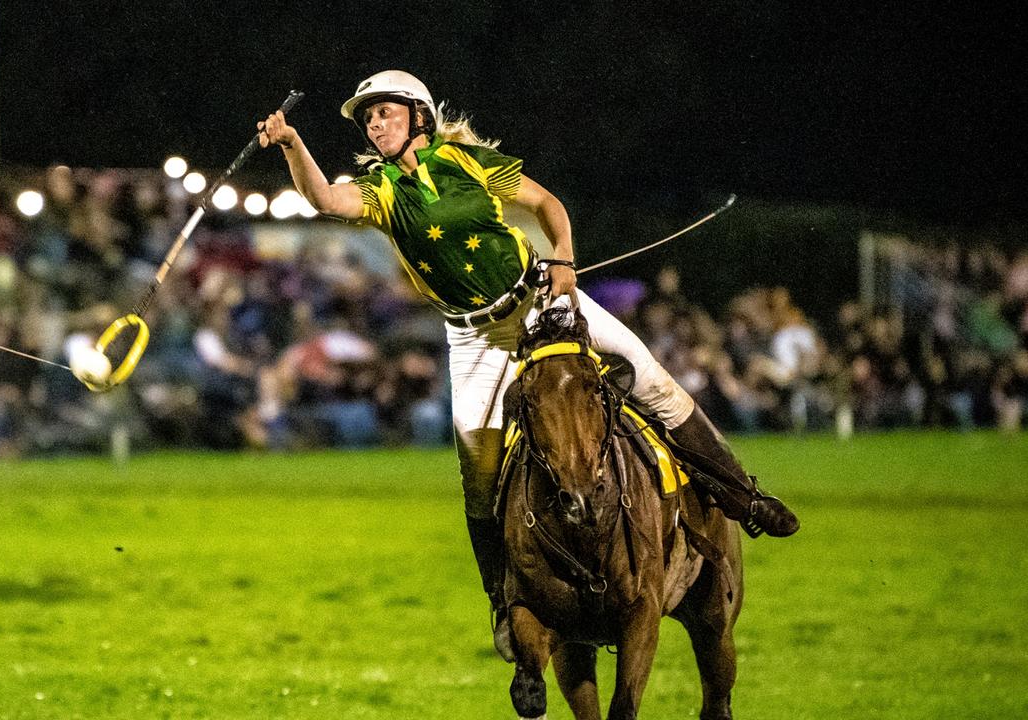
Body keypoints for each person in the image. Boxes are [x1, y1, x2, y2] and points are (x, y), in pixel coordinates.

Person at [258, 70, 799, 661]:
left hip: (540, 302)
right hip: (473, 340)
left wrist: (563, 259)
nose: (374, 124)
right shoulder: (382, 190)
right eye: (368, 118)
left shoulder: (466, 161)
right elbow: (323, 199)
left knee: (654, 382)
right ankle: (502, 600)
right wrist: (293, 145)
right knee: (479, 473)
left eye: (384, 112)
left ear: (418, 116)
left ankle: (744, 499)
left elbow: (546, 204)